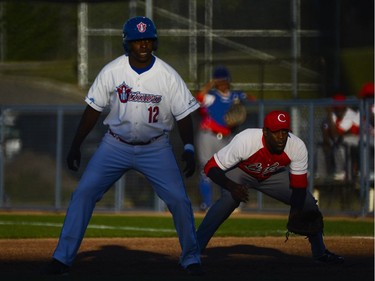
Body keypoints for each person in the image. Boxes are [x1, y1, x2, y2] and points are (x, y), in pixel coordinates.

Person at [44, 16, 203, 276]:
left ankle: (191, 259)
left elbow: (184, 115)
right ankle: (62, 258)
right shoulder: (112, 71)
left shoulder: (167, 75)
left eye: (148, 39)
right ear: (127, 43)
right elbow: (92, 110)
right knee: (83, 194)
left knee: (178, 200)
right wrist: (75, 145)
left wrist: (189, 147)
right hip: (114, 145)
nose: (143, 44)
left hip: (156, 148)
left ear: (155, 42)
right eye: (137, 40)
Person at [196, 110, 344, 264]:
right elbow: (210, 167)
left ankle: (320, 253)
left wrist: (295, 212)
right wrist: (232, 186)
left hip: (272, 174)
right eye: (276, 132)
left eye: (285, 131)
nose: (281, 137)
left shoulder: (296, 146)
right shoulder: (246, 140)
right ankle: (194, 249)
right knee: (228, 200)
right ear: (265, 132)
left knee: (308, 202)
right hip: (242, 171)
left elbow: (299, 186)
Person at [196, 66, 248, 211]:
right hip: (208, 135)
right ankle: (206, 204)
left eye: (225, 80)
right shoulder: (211, 96)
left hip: (227, 137)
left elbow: (251, 99)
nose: (223, 83)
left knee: (228, 169)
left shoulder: (236, 96)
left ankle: (229, 202)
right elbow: (198, 98)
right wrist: (209, 85)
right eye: (220, 81)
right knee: (206, 169)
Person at [320, 93, 360, 181]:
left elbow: (335, 135)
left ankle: (343, 172)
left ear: (346, 107)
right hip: (336, 142)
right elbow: (325, 131)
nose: (339, 111)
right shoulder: (332, 115)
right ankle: (322, 176)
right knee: (321, 148)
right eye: (337, 108)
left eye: (341, 108)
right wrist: (326, 142)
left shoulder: (352, 116)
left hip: (353, 143)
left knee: (342, 145)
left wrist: (330, 114)